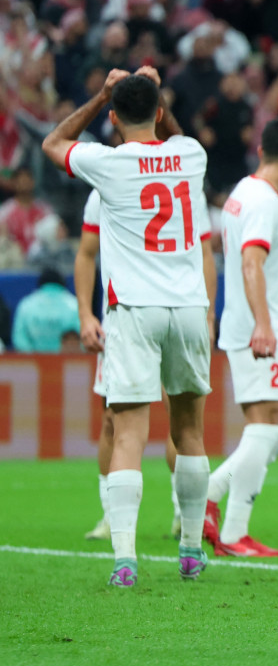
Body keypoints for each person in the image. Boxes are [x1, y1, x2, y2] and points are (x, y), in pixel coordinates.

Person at [41, 66, 216, 587]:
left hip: (134, 309)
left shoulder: (108, 163)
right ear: (160, 111)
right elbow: (180, 136)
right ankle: (189, 550)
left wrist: (99, 95)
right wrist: (153, 90)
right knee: (190, 432)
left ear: (115, 118)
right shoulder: (191, 156)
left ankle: (124, 560)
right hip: (187, 307)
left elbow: (54, 141)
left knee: (129, 434)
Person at [204, 117, 278, 558]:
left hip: (267, 327)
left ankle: (208, 491)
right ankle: (232, 532)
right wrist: (263, 325)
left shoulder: (242, 193)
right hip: (258, 330)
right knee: (264, 424)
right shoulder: (264, 202)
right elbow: (251, 263)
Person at [78, 189, 188, 542]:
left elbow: (198, 249)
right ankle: (111, 517)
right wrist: (85, 315)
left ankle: (183, 513)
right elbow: (86, 252)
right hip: (120, 319)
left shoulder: (175, 179)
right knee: (113, 420)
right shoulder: (103, 189)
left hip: (171, 313)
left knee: (181, 418)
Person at [11, 267, 80, 352]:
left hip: (33, 363)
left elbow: (20, 340)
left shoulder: (26, 305)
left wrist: (35, 361)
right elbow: (85, 339)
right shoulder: (75, 305)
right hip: (68, 363)